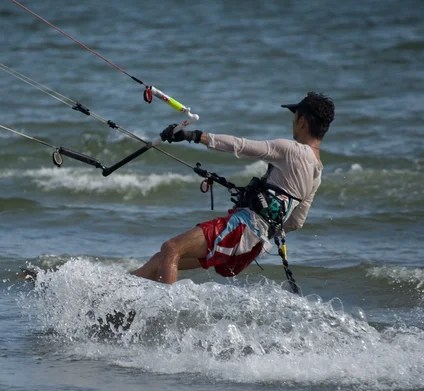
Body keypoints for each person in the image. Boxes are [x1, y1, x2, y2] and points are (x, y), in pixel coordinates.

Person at [132, 91, 335, 284]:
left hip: (241, 230)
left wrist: (192, 136)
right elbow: (296, 222)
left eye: (295, 117)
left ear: (302, 121)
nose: (292, 122)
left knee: (171, 248)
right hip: (253, 247)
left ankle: (164, 317)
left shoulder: (293, 150)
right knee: (160, 259)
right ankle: (121, 305)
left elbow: (241, 145)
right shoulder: (317, 172)